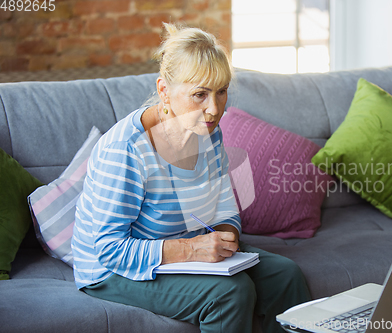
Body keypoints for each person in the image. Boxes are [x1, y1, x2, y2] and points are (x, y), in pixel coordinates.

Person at [71, 23, 311, 333]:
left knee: (285, 274)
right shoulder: (126, 150)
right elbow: (110, 249)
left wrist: (226, 235)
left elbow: (224, 204)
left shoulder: (209, 134)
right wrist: (192, 249)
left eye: (221, 92)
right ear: (164, 92)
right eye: (200, 94)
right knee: (229, 293)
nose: (214, 109)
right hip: (111, 271)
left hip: (183, 249)